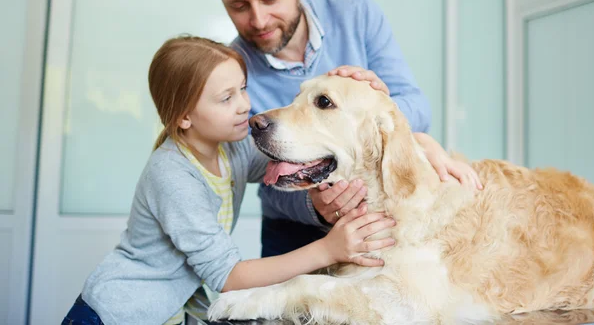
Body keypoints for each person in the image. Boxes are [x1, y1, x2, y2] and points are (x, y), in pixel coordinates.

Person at [61, 36, 397, 325]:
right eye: (226, 98)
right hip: (117, 313)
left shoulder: (231, 150)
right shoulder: (173, 176)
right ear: (185, 116)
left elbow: (298, 153)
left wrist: (361, 94)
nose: (245, 107)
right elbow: (229, 277)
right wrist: (328, 249)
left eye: (243, 89)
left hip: (168, 312)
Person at [210, 0, 482, 257]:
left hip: (382, 218)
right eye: (238, 6)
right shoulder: (230, 71)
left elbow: (417, 108)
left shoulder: (357, 14)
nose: (260, 20)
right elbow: (265, 177)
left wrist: (380, 105)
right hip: (293, 236)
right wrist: (315, 205)